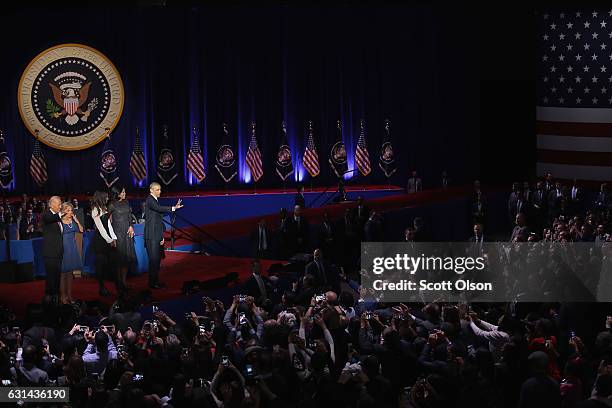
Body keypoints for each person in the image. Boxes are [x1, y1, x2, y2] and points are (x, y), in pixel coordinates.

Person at [144, 182, 183, 289]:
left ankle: (155, 282)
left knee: (157, 260)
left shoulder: (155, 200)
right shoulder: (150, 200)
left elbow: (158, 221)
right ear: (151, 190)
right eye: (157, 190)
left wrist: (161, 236)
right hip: (151, 235)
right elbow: (159, 209)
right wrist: (173, 208)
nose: (159, 191)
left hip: (156, 234)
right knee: (154, 260)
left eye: (160, 189)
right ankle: (152, 284)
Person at [91, 191, 119, 297]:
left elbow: (108, 224)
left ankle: (117, 286)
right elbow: (101, 228)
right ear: (101, 198)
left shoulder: (104, 208)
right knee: (100, 265)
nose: (107, 199)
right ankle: (101, 287)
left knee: (110, 263)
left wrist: (114, 237)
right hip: (100, 240)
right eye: (106, 197)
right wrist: (109, 240)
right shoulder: (95, 210)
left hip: (108, 238)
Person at [110, 185, 136, 290]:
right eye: (122, 192)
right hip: (117, 233)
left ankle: (124, 281)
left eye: (125, 192)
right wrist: (112, 237)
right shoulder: (112, 205)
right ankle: (119, 281)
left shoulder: (126, 202)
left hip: (127, 232)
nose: (124, 194)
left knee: (126, 258)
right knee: (119, 259)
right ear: (117, 193)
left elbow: (129, 216)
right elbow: (108, 221)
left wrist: (131, 226)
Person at [59, 202, 83, 305]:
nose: (70, 212)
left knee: (70, 274)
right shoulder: (59, 222)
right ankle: (62, 296)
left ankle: (69, 295)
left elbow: (81, 230)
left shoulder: (72, 221)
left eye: (71, 210)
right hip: (63, 249)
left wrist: (77, 221)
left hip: (72, 248)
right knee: (62, 274)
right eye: (68, 210)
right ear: (63, 211)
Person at [41, 196, 64, 303]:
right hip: (50, 252)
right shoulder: (47, 214)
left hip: (59, 251)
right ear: (52, 204)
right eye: (59, 204)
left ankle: (56, 295)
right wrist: (62, 213)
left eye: (60, 204)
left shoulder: (57, 217)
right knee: (50, 275)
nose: (61, 206)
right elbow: (50, 219)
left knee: (57, 274)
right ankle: (49, 296)